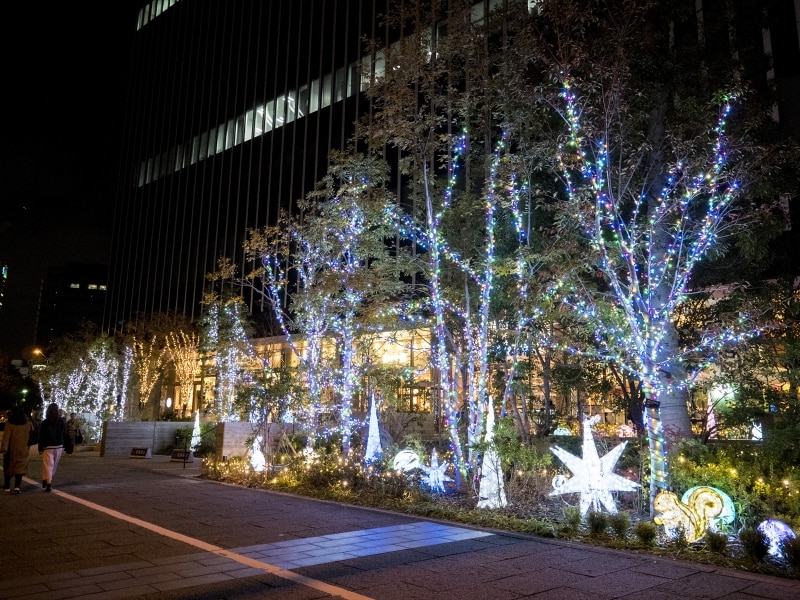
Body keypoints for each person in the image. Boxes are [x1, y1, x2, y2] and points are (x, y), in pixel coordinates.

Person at [1, 406, 32, 493]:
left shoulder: (10, 424)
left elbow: (6, 438)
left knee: (8, 467)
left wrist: (3, 448)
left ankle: (7, 485)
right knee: (20, 468)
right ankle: (17, 486)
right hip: (23, 449)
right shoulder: (27, 424)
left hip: (11, 450)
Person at [38, 403, 66, 492]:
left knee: (48, 465)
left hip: (48, 446)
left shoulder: (45, 422)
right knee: (54, 465)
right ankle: (47, 480)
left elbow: (41, 436)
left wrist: (40, 447)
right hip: (59, 445)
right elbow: (64, 433)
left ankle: (47, 482)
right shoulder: (61, 421)